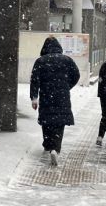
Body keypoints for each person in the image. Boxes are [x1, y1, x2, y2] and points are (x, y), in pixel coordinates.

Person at [30, 36, 81, 166]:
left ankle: (47, 145)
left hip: (46, 95)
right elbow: (76, 75)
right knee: (59, 123)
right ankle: (55, 149)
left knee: (47, 121)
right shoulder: (67, 60)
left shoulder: (41, 61)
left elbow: (34, 80)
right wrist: (66, 86)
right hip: (62, 96)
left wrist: (34, 98)